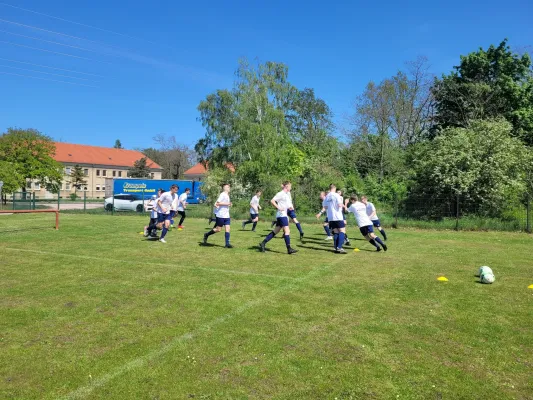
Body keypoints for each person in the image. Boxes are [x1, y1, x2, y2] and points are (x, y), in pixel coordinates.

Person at [259, 181, 298, 254]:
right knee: (287, 231)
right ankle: (289, 249)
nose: (291, 188)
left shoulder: (286, 194)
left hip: (282, 215)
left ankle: (263, 243)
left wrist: (289, 207)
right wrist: (279, 208)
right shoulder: (281, 194)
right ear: (286, 186)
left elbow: (285, 204)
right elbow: (272, 201)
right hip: (281, 215)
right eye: (290, 186)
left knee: (275, 231)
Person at [203, 184, 233, 248]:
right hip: (221, 215)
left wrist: (229, 204)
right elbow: (217, 203)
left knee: (228, 228)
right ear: (224, 188)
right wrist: (227, 204)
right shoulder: (222, 194)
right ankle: (206, 234)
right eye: (228, 187)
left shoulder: (227, 195)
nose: (229, 188)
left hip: (226, 215)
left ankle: (227, 244)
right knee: (218, 229)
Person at [324, 184, 347, 253]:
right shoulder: (336, 195)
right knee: (342, 231)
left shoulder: (327, 196)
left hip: (330, 217)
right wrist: (344, 205)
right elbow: (339, 204)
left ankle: (335, 248)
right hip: (337, 216)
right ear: (335, 188)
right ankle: (339, 247)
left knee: (336, 232)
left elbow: (325, 207)